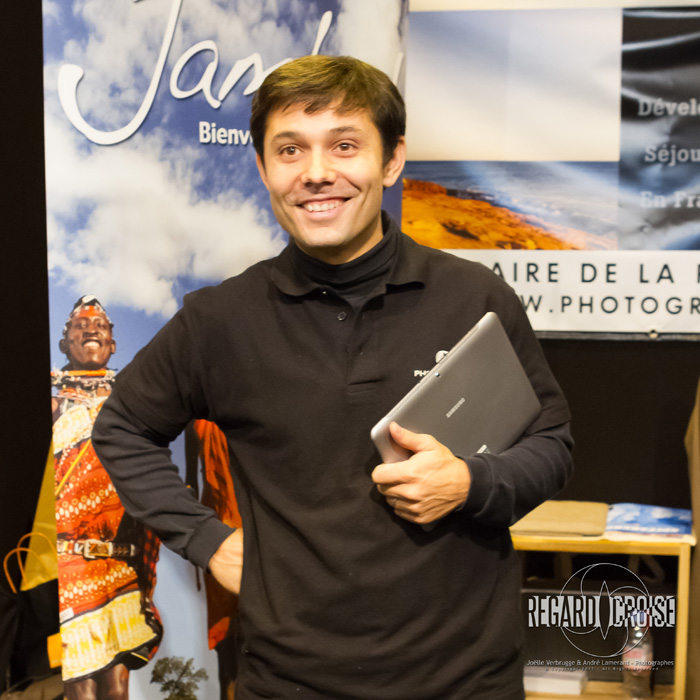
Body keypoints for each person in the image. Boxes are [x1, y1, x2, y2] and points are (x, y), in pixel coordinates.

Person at [93, 55, 573, 700]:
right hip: (290, 680)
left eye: (344, 145)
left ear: (392, 159)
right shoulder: (220, 321)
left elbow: (552, 448)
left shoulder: (475, 299)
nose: (317, 173)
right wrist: (208, 542)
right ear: (264, 168)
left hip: (467, 678)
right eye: (290, 150)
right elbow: (122, 427)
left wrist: (468, 481)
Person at [52, 296, 162, 700]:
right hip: (68, 560)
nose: (91, 329)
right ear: (64, 344)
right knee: (79, 685)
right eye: (80, 326)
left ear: (114, 344)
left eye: (100, 325)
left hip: (118, 560)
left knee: (117, 685)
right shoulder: (49, 400)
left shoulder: (133, 396)